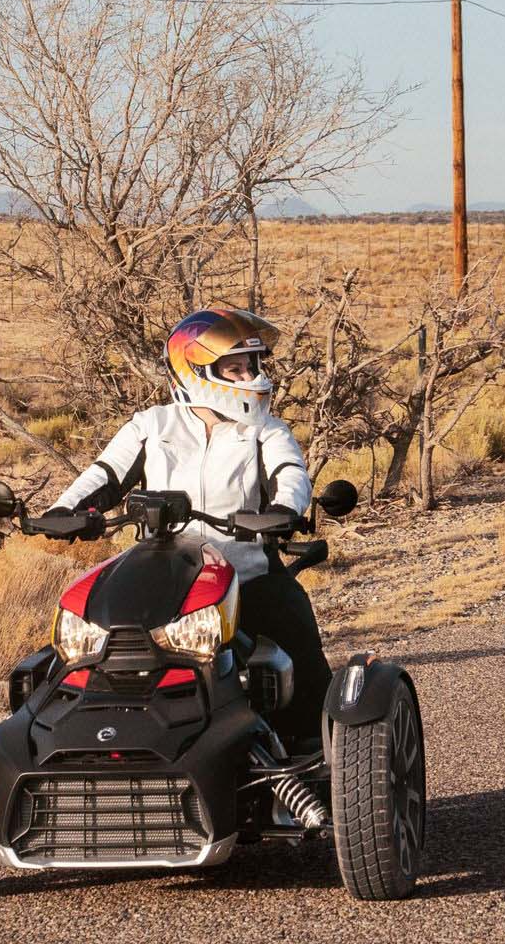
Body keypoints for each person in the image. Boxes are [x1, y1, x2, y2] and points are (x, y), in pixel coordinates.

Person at [47, 306, 330, 744]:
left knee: (297, 641)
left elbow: (290, 475)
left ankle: (317, 759)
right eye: (234, 369)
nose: (248, 378)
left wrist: (283, 511)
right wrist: (64, 511)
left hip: (247, 577)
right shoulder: (151, 425)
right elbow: (105, 474)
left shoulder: (267, 431)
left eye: (251, 366)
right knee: (74, 650)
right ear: (195, 371)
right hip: (159, 580)